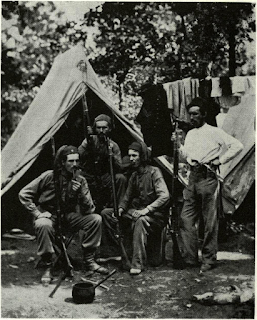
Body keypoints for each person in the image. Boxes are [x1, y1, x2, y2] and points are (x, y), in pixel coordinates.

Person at [19, 145, 108, 284]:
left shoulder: (80, 180)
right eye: (70, 161)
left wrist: (80, 194)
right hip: (48, 215)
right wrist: (37, 213)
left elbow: (90, 209)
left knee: (95, 219)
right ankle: (47, 265)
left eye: (77, 161)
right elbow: (24, 194)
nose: (75, 165)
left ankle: (89, 260)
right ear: (62, 163)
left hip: (68, 216)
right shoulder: (49, 176)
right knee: (43, 224)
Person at [178, 97, 243, 273]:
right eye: (190, 114)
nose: (192, 118)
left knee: (209, 222)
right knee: (186, 219)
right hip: (193, 178)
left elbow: (237, 145)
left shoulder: (215, 132)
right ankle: (190, 258)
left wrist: (219, 160)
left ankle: (208, 259)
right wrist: (180, 148)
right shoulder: (190, 134)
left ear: (204, 114)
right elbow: (189, 156)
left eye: (195, 114)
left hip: (208, 178)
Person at [118, 141, 170, 275]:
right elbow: (127, 197)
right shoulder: (134, 175)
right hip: (140, 212)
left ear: (142, 156)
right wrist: (121, 209)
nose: (131, 159)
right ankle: (120, 255)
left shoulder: (154, 172)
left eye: (134, 156)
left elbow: (164, 196)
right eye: (130, 156)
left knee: (140, 221)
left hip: (156, 216)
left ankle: (137, 263)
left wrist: (146, 210)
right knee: (107, 214)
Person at [78, 114, 126, 210]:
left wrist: (111, 156)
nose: (101, 131)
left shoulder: (113, 145)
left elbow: (120, 167)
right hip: (89, 175)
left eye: (104, 128)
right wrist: (88, 144)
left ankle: (118, 208)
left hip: (105, 176)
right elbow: (78, 156)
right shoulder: (89, 141)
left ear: (109, 129)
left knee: (120, 178)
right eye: (98, 128)